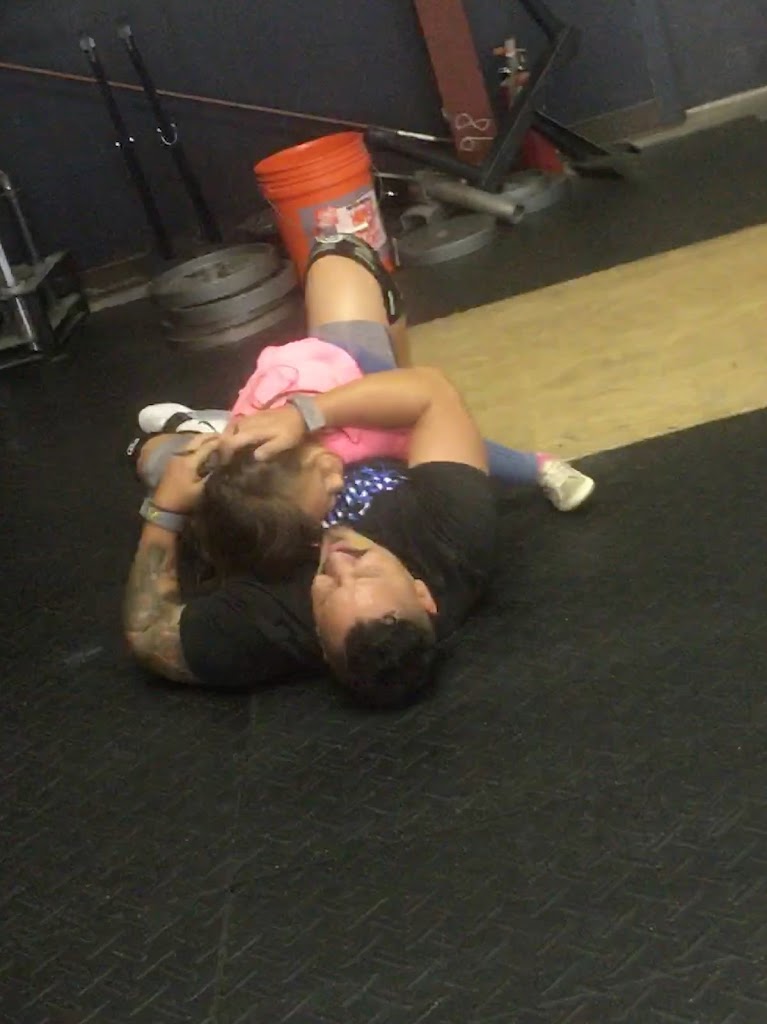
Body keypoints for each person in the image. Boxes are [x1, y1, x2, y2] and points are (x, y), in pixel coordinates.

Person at [121, 238, 582, 706]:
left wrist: (164, 510)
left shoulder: (273, 627)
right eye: (364, 569)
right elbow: (431, 394)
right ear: (422, 593)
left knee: (152, 456)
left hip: (253, 480)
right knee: (338, 256)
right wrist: (303, 415)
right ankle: (371, 371)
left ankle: (209, 425)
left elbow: (148, 634)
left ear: (320, 642)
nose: (338, 558)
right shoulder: (454, 541)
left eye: (326, 588)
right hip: (353, 425)